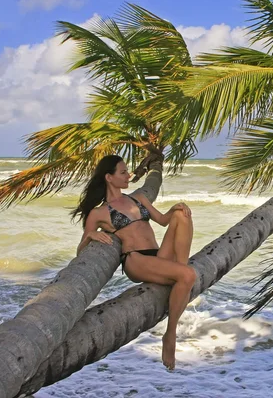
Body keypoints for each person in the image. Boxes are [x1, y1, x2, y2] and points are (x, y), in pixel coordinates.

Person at [73, 155, 195, 370]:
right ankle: (170, 334)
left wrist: (177, 207)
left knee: (182, 216)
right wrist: (91, 236)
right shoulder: (99, 212)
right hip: (136, 259)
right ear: (109, 177)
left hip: (157, 255)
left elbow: (164, 220)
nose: (128, 175)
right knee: (188, 276)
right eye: (123, 172)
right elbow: (80, 250)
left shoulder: (138, 198)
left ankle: (179, 273)